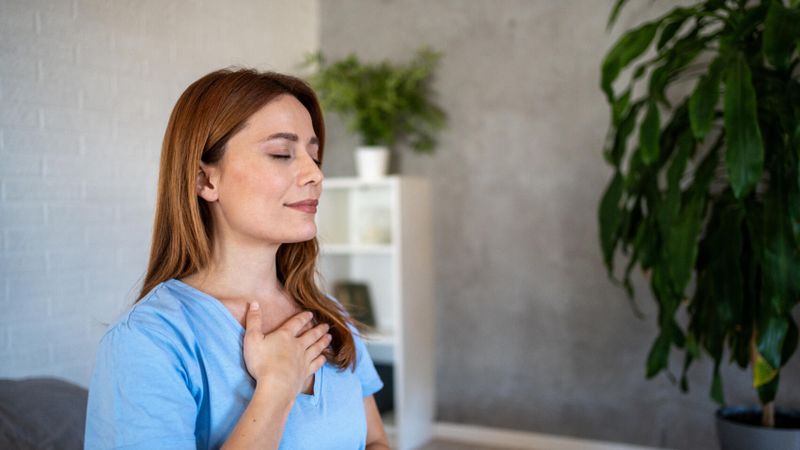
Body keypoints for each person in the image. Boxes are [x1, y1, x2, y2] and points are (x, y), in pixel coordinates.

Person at [84, 68, 390, 450]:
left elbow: (376, 440)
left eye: (314, 156)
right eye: (281, 153)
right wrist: (277, 389)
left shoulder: (330, 317)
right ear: (205, 181)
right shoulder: (147, 342)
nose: (315, 174)